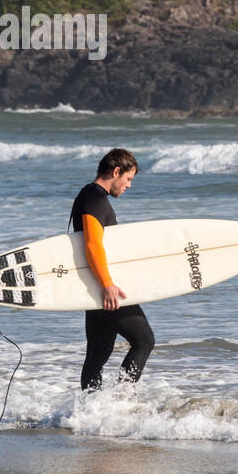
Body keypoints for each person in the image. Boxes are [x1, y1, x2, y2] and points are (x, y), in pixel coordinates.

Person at [70, 148, 154, 391]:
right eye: (128, 179)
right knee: (144, 340)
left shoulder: (90, 196)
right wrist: (107, 284)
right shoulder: (95, 198)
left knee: (99, 352)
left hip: (94, 287)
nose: (128, 186)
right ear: (116, 171)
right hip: (104, 287)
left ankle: (89, 410)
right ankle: (120, 399)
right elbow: (92, 243)